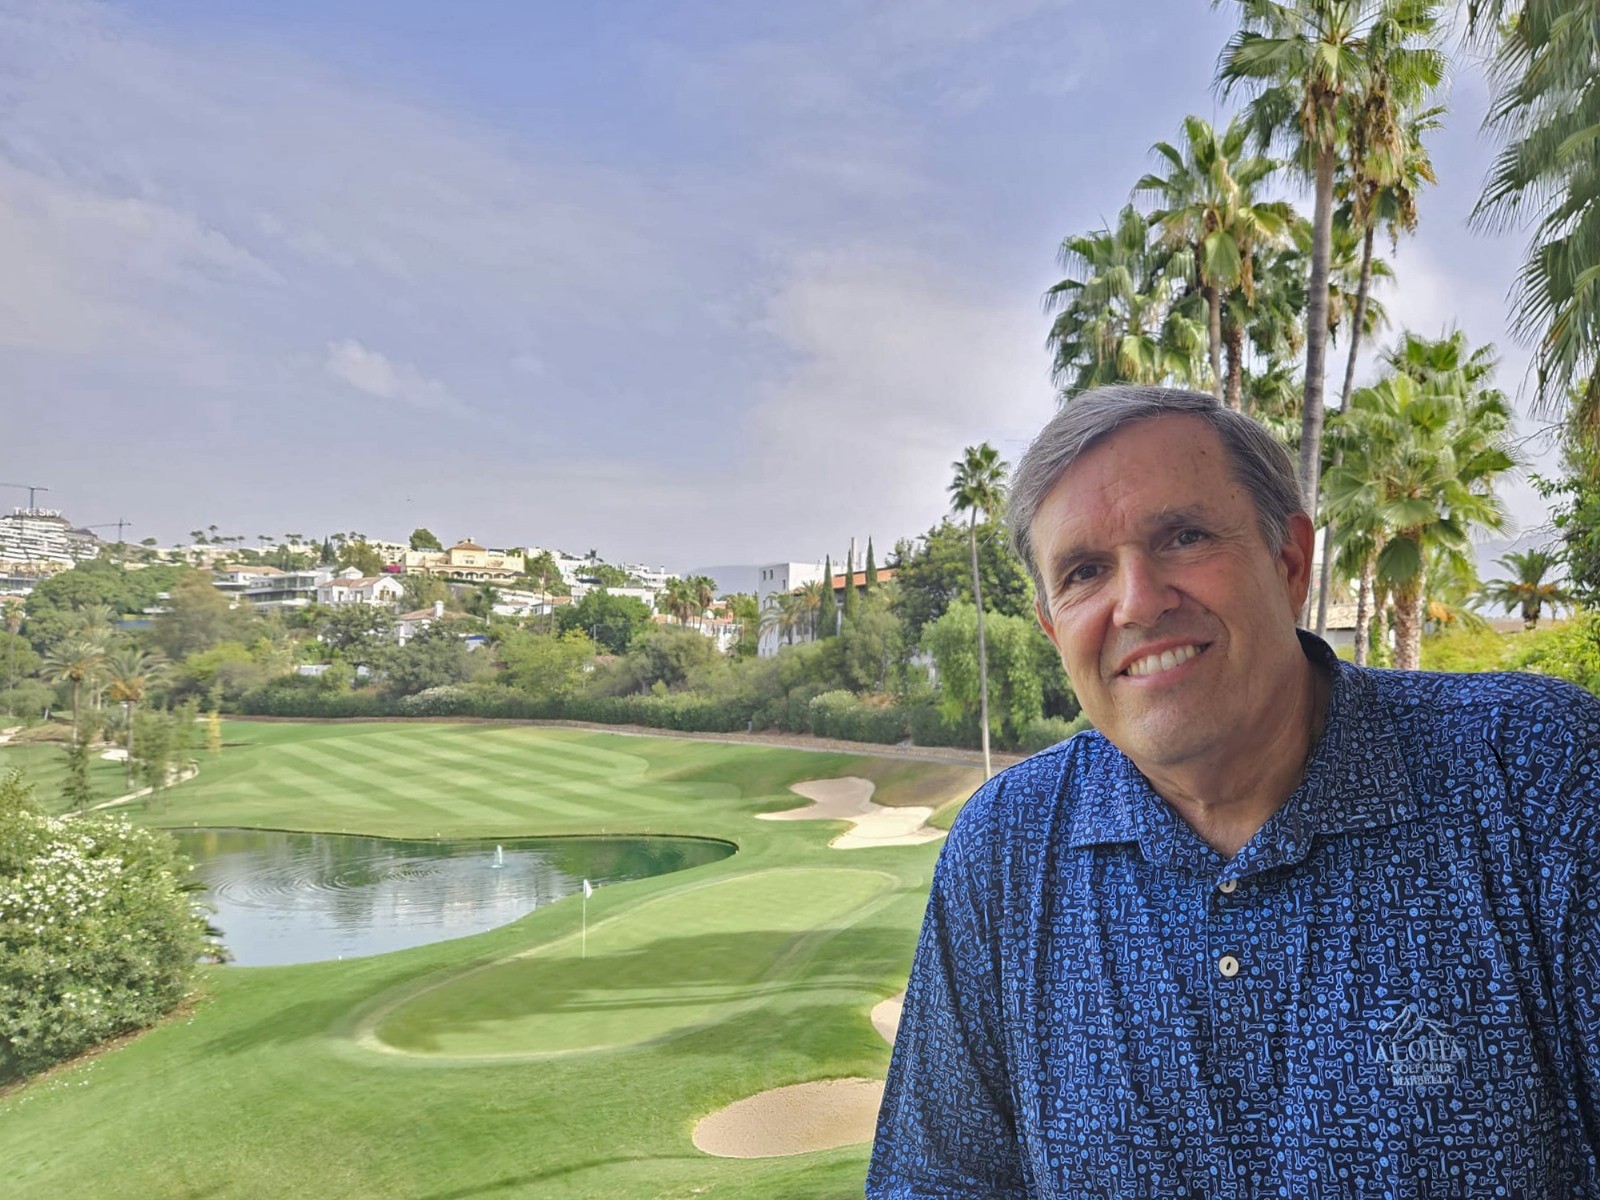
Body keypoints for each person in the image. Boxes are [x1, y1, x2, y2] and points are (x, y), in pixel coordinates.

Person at [868, 385, 1600, 1198]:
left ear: (1290, 563)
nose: (1137, 603)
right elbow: (938, 1181)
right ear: (1052, 629)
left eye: (1183, 537)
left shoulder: (1535, 771)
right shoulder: (1006, 846)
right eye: (1084, 572)